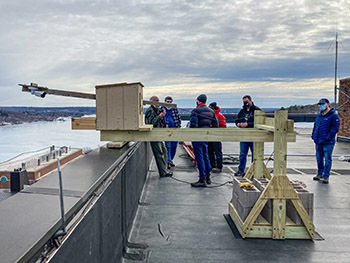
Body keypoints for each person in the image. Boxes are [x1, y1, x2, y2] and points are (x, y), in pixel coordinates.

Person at [190, 94, 218, 187]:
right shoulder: (211, 111)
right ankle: (208, 177)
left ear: (198, 101)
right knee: (206, 156)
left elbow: (193, 126)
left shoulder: (195, 111)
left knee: (199, 157)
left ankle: (202, 179)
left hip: (197, 137)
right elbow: (216, 125)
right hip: (206, 138)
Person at [312, 98, 340, 184]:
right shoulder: (319, 116)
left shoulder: (333, 116)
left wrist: (327, 138)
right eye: (320, 104)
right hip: (318, 141)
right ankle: (319, 173)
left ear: (328, 104)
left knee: (327, 158)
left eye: (323, 104)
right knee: (319, 158)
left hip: (328, 142)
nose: (321, 106)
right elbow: (316, 126)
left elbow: (335, 129)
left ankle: (326, 175)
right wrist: (314, 136)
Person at [145, 96, 173, 178]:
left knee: (164, 152)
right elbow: (150, 123)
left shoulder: (157, 110)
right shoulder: (150, 111)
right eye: (156, 101)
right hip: (154, 135)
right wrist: (159, 116)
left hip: (159, 135)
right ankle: (163, 172)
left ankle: (165, 170)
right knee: (159, 154)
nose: (158, 102)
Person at [235, 95, 261, 177]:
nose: (245, 104)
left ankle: (254, 171)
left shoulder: (257, 110)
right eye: (244, 102)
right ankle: (240, 170)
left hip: (254, 136)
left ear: (250, 101)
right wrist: (239, 124)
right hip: (244, 136)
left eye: (246, 102)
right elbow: (237, 120)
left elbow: (260, 122)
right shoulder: (242, 111)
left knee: (255, 154)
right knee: (242, 154)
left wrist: (248, 124)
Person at [161, 96, 181, 169]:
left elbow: (178, 118)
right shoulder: (162, 109)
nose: (168, 102)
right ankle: (168, 161)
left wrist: (178, 127)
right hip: (166, 131)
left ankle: (171, 160)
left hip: (174, 130)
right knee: (168, 146)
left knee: (174, 146)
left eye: (170, 101)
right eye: (167, 101)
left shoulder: (174, 108)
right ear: (165, 101)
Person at [208, 102, 226, 173]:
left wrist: (216, 128)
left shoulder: (220, 116)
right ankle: (212, 165)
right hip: (209, 136)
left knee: (217, 152)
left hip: (217, 137)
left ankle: (219, 166)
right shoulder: (209, 115)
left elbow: (223, 126)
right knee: (210, 152)